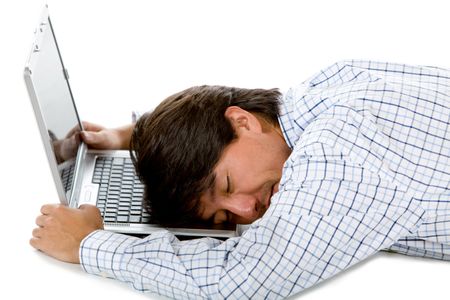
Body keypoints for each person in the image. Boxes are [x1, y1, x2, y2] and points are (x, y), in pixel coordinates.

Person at [30, 60, 450, 299]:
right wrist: (137, 134)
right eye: (221, 216)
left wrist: (88, 245)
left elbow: (240, 281)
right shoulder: (331, 86)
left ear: (242, 121)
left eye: (227, 186)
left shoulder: (339, 160)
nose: (248, 210)